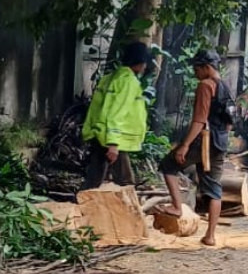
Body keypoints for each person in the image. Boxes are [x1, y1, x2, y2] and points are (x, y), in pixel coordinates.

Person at [158, 49, 234, 246]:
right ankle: (210, 235)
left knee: (168, 165)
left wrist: (185, 145)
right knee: (214, 187)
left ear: (206, 68)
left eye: (197, 69)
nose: (195, 73)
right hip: (220, 141)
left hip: (204, 140)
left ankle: (176, 207)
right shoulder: (225, 85)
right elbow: (229, 121)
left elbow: (199, 120)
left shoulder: (205, 86)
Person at [81, 41, 151, 190]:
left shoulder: (109, 78)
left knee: (94, 179)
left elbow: (96, 109)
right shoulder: (128, 81)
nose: (145, 67)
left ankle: (80, 206)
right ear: (139, 62)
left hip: (100, 134)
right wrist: (113, 144)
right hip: (114, 139)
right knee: (125, 182)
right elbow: (116, 112)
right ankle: (130, 211)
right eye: (144, 63)